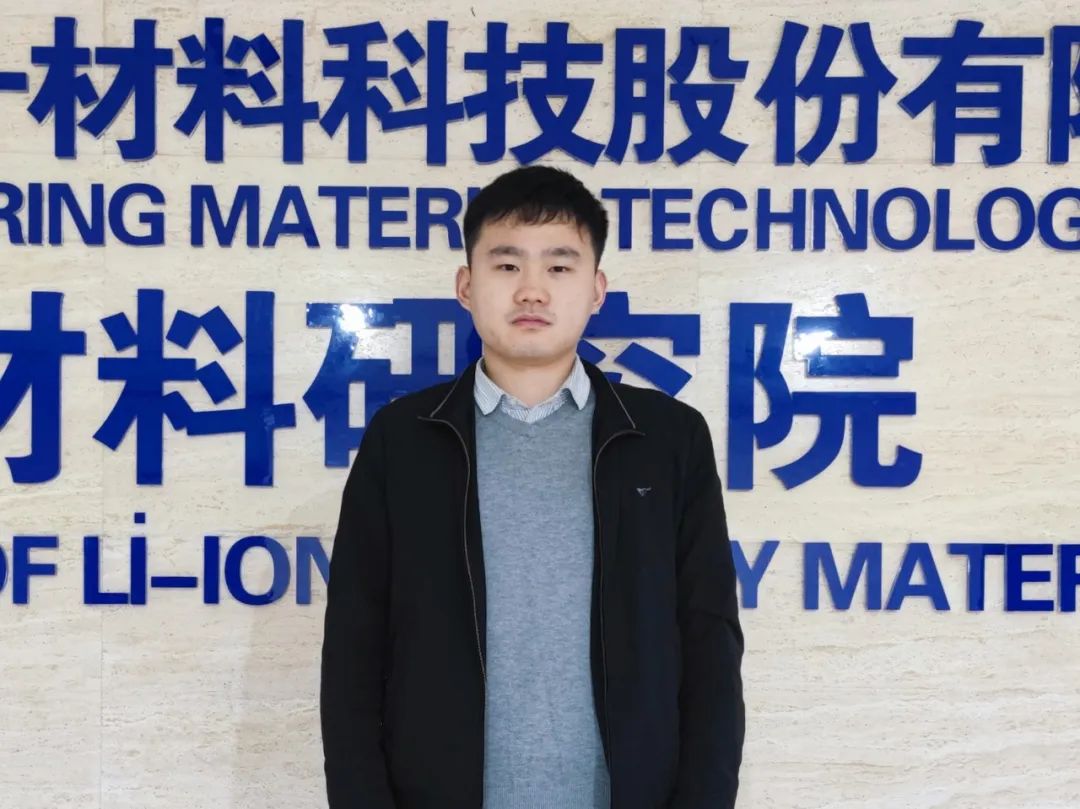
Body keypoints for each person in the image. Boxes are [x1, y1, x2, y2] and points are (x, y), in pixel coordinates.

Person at [320, 165, 745, 809]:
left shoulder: (668, 440)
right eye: (507, 264)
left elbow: (710, 648)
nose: (532, 290)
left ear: (597, 290)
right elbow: (353, 653)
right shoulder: (402, 441)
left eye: (560, 266)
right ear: (466, 286)